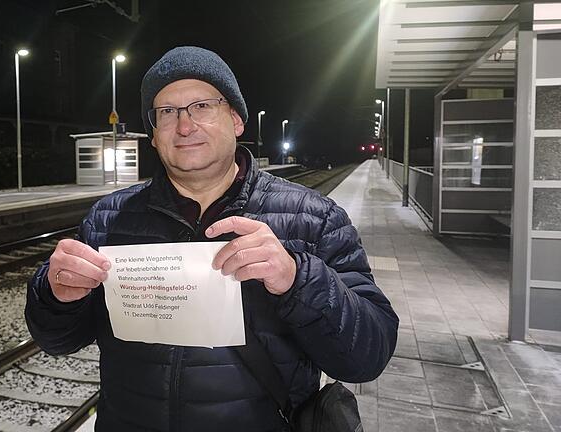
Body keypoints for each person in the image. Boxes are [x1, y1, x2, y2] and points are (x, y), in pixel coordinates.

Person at [25, 46, 398, 432]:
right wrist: (55, 295)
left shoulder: (316, 218)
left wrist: (297, 278)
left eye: (202, 106)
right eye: (167, 112)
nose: (184, 126)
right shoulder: (108, 219)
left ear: (236, 120)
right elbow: (58, 341)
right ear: (153, 135)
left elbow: (367, 356)